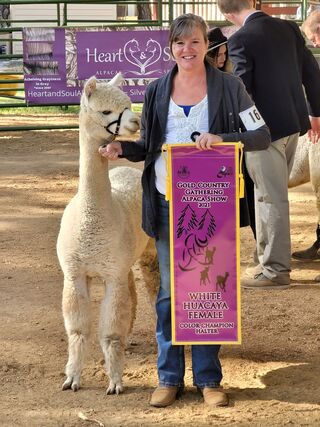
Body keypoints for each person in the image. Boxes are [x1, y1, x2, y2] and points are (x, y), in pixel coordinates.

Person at [100, 13, 270, 407]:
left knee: (209, 288)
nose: (187, 50)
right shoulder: (157, 90)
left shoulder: (230, 87)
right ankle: (169, 376)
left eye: (194, 41)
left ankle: (209, 379)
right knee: (168, 292)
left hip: (211, 203)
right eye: (179, 43)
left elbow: (260, 135)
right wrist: (120, 149)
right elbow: (147, 146)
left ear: (206, 45)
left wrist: (222, 138)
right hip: (164, 200)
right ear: (170, 47)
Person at [217, 0, 320, 290]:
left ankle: (275, 270)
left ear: (227, 13)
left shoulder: (239, 38)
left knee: (270, 198)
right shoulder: (288, 28)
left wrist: (239, 129)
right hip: (292, 125)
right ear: (251, 2)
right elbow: (312, 73)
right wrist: (315, 113)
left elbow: (241, 89)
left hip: (264, 131)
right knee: (267, 195)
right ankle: (266, 260)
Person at [207, 25, 257, 240]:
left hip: (230, 155)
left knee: (247, 202)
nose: (222, 58)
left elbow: (254, 126)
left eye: (226, 54)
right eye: (219, 53)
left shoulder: (233, 82)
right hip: (203, 159)